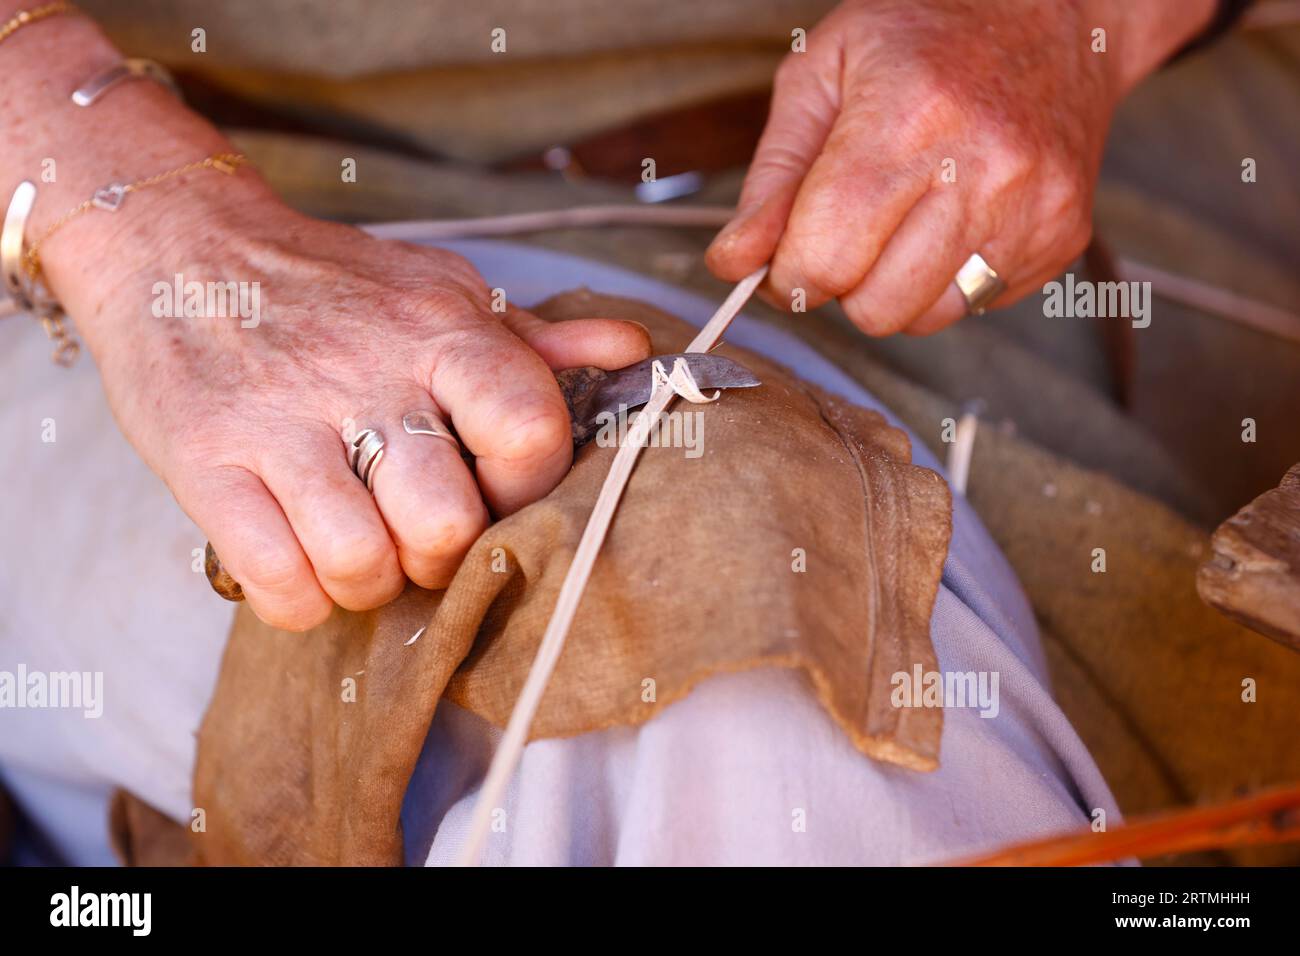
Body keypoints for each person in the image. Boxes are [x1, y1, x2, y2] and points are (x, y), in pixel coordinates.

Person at [0, 0, 1229, 633]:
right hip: (119, 211)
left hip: (938, 140)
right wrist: (145, 223)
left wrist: (1056, 24)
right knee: (687, 625)